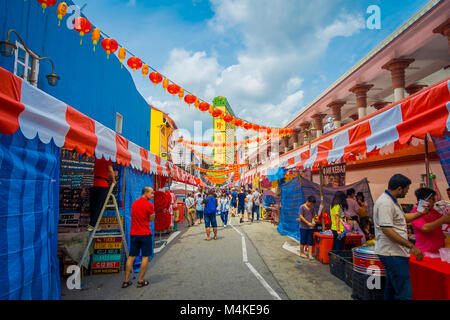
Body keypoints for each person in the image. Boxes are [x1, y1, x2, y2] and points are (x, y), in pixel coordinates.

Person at [373, 174, 429, 300]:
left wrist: (421, 213)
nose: (407, 192)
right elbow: (387, 230)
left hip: (395, 252)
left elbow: (403, 218)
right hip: (392, 253)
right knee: (404, 293)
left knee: (392, 289)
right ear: (399, 189)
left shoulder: (392, 201)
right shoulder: (385, 203)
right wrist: (411, 246)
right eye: (406, 189)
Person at [122, 187, 155, 288]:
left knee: (131, 256)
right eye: (151, 193)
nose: (153, 195)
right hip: (145, 234)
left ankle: (126, 280)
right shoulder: (149, 205)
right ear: (145, 193)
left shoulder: (134, 204)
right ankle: (140, 280)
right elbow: (150, 219)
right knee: (145, 256)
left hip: (134, 234)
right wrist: (152, 215)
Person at [410, 188, 450, 254]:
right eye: (432, 199)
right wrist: (442, 220)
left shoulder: (433, 211)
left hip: (439, 251)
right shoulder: (415, 213)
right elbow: (425, 228)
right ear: (423, 200)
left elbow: (447, 220)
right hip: (425, 252)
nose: (434, 202)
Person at [88, 157, 116, 231]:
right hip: (102, 185)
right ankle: (93, 224)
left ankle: (91, 224)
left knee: (93, 205)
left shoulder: (96, 158)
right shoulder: (107, 158)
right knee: (99, 206)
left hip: (93, 184)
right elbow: (110, 169)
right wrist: (113, 180)